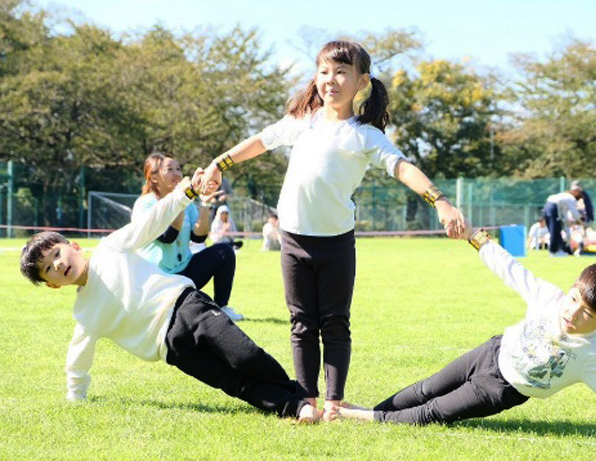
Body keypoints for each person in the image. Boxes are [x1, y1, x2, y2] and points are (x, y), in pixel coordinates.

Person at [200, 40, 466, 418]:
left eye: (342, 72)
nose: (331, 80)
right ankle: (307, 400)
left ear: (361, 82)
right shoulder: (301, 123)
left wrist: (440, 200)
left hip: (336, 243)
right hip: (293, 238)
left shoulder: (365, 135)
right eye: (324, 71)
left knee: (335, 323)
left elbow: (403, 167)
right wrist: (219, 163)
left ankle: (333, 403)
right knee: (301, 323)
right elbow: (260, 141)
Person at [19, 174, 320, 423]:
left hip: (187, 306)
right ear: (53, 286)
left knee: (245, 356)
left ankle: (300, 395)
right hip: (172, 349)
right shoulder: (84, 313)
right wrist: (75, 395)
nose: (57, 264)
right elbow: (78, 357)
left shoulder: (111, 248)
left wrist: (183, 193)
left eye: (57, 254)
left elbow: (150, 222)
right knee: (235, 384)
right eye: (48, 269)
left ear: (74, 246)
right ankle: (294, 407)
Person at [335, 229, 596, 448]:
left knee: (434, 412)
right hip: (490, 352)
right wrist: (477, 238)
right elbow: (510, 268)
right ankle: (374, 415)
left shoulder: (592, 357)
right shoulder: (549, 296)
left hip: (500, 390)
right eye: (575, 299)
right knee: (427, 387)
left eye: (587, 314)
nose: (573, 312)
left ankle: (357, 415)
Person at [132, 152, 243, 321]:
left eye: (178, 168)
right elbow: (168, 237)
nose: (177, 174)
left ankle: (222, 306)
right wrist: (181, 198)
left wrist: (205, 204)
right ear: (154, 178)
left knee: (225, 252)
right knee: (187, 308)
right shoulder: (145, 204)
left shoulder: (187, 202)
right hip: (159, 279)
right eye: (170, 169)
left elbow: (198, 237)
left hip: (184, 272)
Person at [542, 187, 583, 256]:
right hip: (553, 209)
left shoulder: (564, 196)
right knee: (555, 231)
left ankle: (556, 250)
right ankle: (554, 251)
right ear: (575, 192)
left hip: (547, 207)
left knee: (554, 231)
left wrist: (566, 222)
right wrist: (580, 221)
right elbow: (574, 213)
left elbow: (564, 213)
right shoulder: (571, 198)